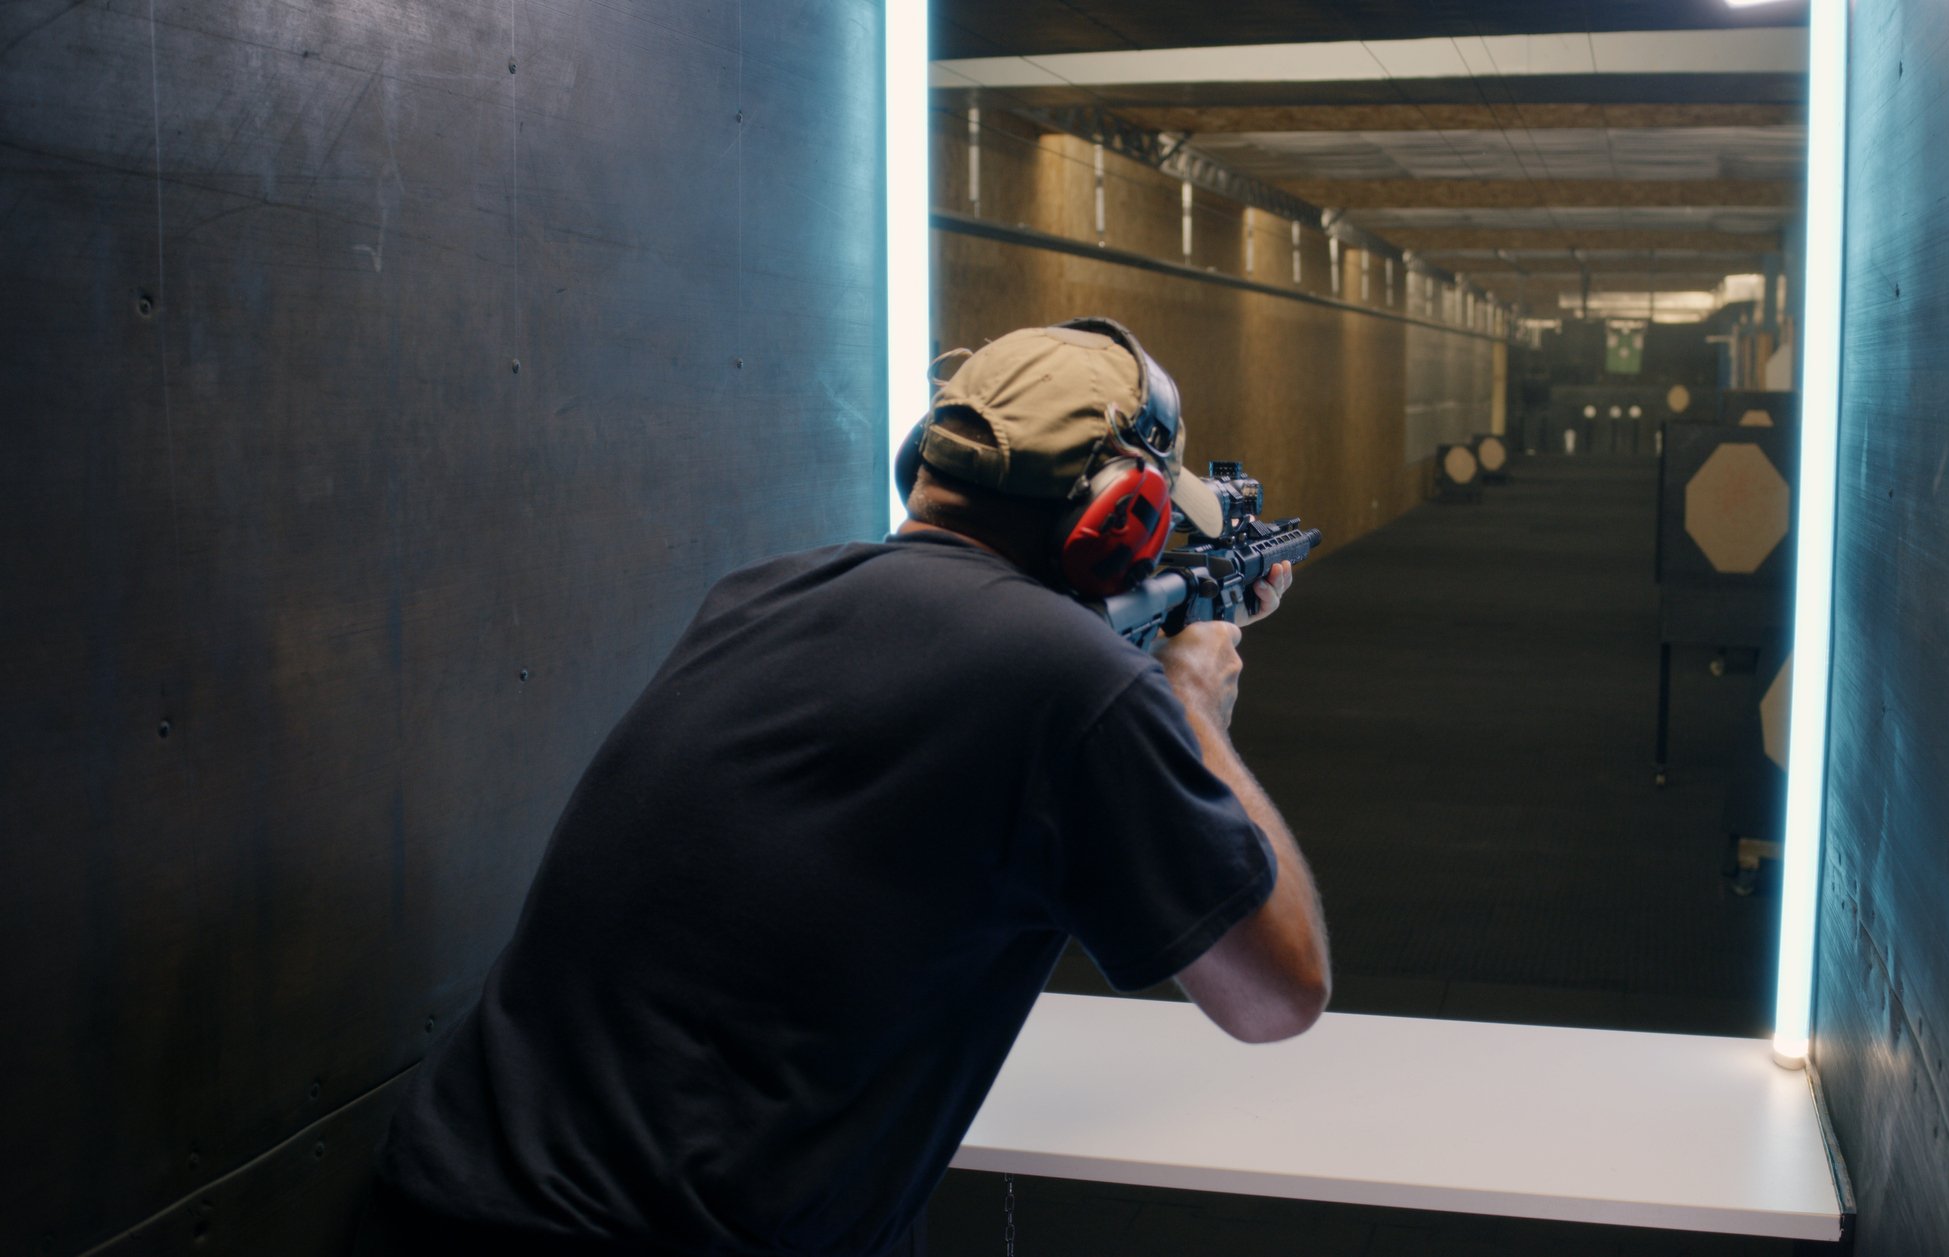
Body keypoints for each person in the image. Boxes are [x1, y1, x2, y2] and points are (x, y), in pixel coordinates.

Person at [358, 318, 1331, 1256]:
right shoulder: (1072, 680)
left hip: (440, 1191)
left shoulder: (761, 594)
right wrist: (1191, 706)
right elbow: (1277, 994)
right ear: (1121, 511)